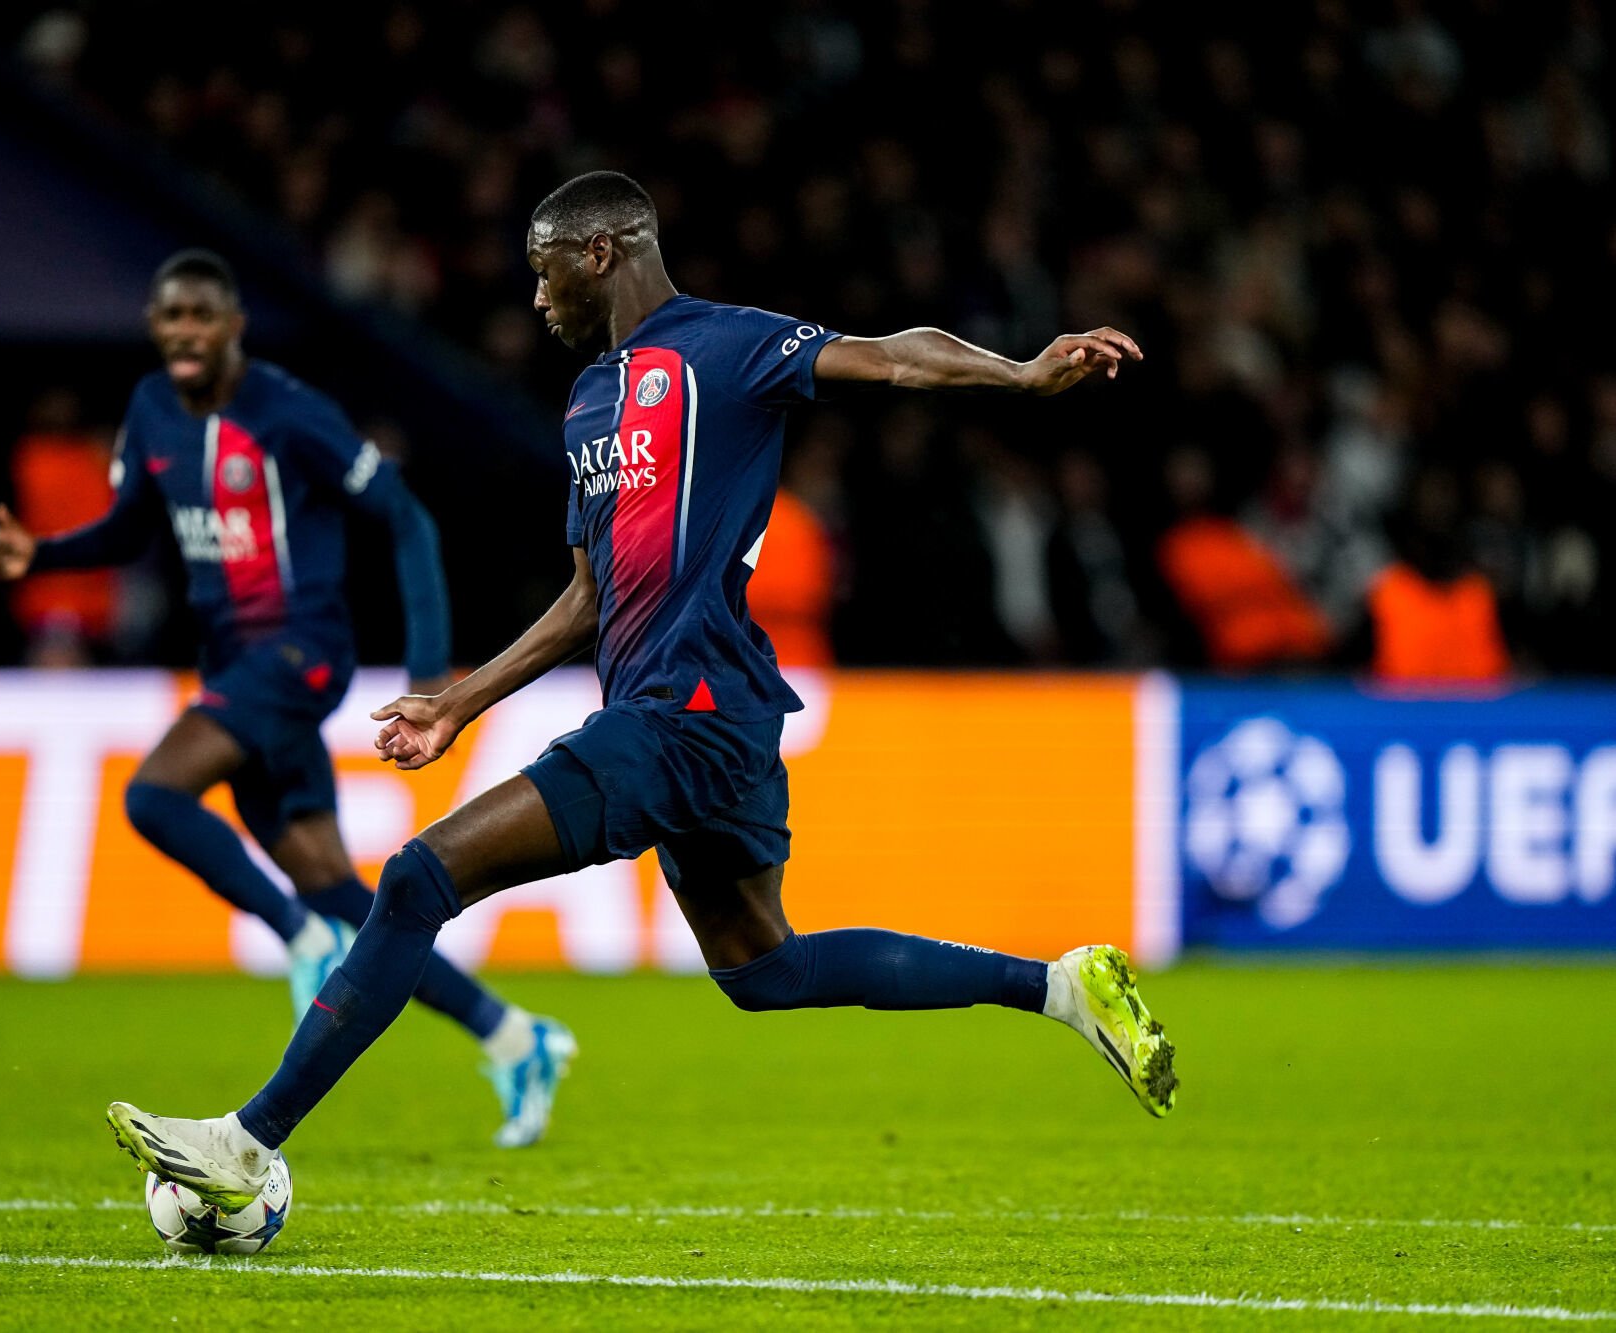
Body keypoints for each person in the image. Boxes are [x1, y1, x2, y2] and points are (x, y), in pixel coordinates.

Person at [107, 174, 1175, 1208]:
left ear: (598, 251)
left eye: (543, 271)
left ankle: (247, 1140)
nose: (535, 296)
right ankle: (1058, 986)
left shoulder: (728, 344)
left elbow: (894, 355)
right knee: (764, 970)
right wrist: (457, 702)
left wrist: (1018, 374)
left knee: (418, 879)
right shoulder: (588, 403)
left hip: (684, 714)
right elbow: (586, 599)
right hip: (707, 722)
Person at [0, 250, 573, 1148]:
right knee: (338, 887)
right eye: (170, 316)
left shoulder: (289, 413)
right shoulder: (150, 410)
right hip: (232, 665)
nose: (185, 331)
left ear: (232, 326)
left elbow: (406, 518)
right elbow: (132, 527)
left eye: (201, 315)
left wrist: (430, 677)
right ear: (155, 326)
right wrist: (43, 554)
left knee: (153, 794)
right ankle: (514, 1035)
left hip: (301, 652)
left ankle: (295, 935)